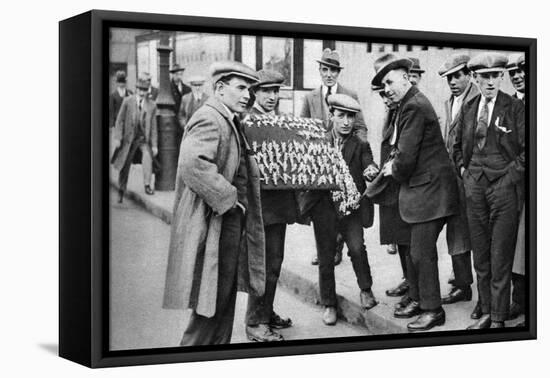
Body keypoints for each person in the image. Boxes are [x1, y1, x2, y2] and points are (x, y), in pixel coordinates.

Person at [162, 61, 266, 346]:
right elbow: (192, 165)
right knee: (210, 304)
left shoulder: (228, 117)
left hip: (226, 220)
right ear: (220, 89)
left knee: (222, 300)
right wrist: (231, 200)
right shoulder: (209, 117)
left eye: (250, 89)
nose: (248, 95)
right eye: (241, 88)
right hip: (215, 221)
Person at [373, 53, 458, 332]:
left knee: (421, 253)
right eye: (383, 84)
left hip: (431, 191)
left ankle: (433, 311)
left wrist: (389, 170)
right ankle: (422, 301)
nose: (386, 88)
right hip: (426, 189)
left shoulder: (414, 106)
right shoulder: (409, 103)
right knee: (416, 252)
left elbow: (406, 159)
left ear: (406, 78)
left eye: (389, 81)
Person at [453, 52, 525, 329]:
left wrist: (508, 179)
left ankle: (497, 317)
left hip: (504, 189)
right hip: (474, 187)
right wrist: (464, 172)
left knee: (500, 254)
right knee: (480, 253)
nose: (491, 81)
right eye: (485, 76)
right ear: (475, 78)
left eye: (495, 75)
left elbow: (526, 151)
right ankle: (485, 308)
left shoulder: (515, 107)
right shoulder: (470, 107)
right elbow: (457, 146)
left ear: (502, 77)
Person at [299, 93, 378, 326]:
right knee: (326, 255)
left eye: (351, 117)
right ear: (331, 115)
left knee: (356, 248)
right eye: (341, 116)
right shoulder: (318, 141)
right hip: (324, 208)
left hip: (351, 208)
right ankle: (329, 304)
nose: (346, 122)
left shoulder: (360, 144)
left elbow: (369, 163)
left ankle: (365, 289)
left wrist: (371, 171)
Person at [244, 69, 300, 342]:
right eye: (266, 91)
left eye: (276, 91)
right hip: (260, 207)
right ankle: (255, 322)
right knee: (262, 266)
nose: (272, 96)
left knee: (274, 263)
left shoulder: (276, 121)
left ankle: (267, 311)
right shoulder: (248, 122)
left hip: (277, 206)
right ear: (254, 92)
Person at [301, 48, 366, 266]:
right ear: (319, 70)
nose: (329, 74)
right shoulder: (310, 97)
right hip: (321, 163)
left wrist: (357, 151)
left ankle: (338, 244)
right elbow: (303, 129)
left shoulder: (350, 94)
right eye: (325, 69)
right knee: (321, 208)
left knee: (344, 206)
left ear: (338, 73)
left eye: (333, 71)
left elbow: (360, 127)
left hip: (346, 161)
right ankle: (326, 248)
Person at [438, 54, 477, 314]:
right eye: (448, 78)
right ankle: (463, 285)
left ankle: (493, 297)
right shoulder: (450, 101)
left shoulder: (478, 99)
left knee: (485, 237)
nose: (452, 82)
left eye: (457, 76)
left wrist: (467, 171)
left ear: (468, 75)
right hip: (453, 179)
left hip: (475, 178)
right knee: (457, 231)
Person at [371, 84, 411, 305]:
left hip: (401, 182)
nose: (385, 100)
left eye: (387, 95)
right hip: (390, 183)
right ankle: (407, 280)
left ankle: (413, 287)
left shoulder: (406, 113)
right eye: (381, 96)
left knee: (407, 238)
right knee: (397, 236)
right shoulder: (392, 114)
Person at [111, 78, 158, 203]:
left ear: (147, 91)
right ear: (136, 89)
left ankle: (147, 185)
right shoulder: (127, 101)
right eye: (140, 89)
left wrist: (154, 146)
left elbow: (153, 127)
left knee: (147, 156)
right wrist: (118, 138)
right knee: (125, 163)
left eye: (144, 90)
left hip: (142, 140)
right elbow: (119, 120)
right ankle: (121, 190)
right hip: (128, 140)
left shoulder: (152, 105)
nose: (142, 93)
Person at [506, 53, 526, 325]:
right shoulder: (509, 104)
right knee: (514, 247)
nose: (518, 75)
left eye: (522, 70)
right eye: (513, 72)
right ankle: (519, 300)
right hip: (513, 187)